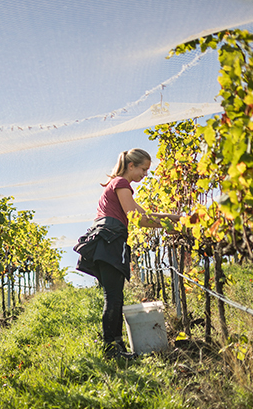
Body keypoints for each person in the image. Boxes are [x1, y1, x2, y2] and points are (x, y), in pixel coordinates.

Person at [73, 148, 180, 360]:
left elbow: (142, 216)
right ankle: (112, 349)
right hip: (110, 241)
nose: (145, 174)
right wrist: (174, 220)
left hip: (105, 241)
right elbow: (137, 218)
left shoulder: (117, 185)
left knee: (114, 297)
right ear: (131, 165)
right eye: (143, 169)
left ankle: (116, 346)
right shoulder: (121, 184)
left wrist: (171, 220)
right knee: (113, 298)